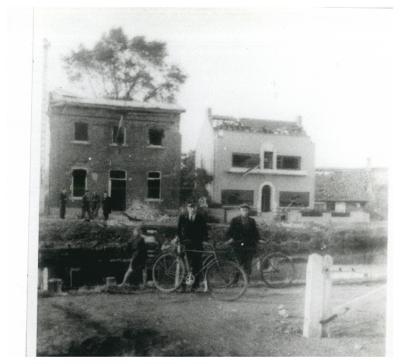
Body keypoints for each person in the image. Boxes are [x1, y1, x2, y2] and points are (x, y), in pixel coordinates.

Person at [177, 201, 208, 292]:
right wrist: (182, 240)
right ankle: (182, 286)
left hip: (197, 244)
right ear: (187, 208)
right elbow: (179, 230)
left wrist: (204, 240)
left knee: (197, 265)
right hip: (185, 244)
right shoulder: (183, 217)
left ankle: (195, 286)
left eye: (194, 207)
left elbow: (204, 231)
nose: (192, 209)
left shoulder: (200, 218)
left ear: (196, 208)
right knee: (185, 265)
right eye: (190, 207)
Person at [225, 203, 260, 281]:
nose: (245, 211)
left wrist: (259, 239)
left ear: (248, 211)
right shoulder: (235, 220)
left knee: (248, 263)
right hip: (237, 245)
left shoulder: (252, 221)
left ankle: (247, 279)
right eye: (243, 210)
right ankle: (235, 279)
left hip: (249, 245)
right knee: (239, 262)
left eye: (246, 210)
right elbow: (229, 232)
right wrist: (230, 239)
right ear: (240, 211)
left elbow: (255, 232)